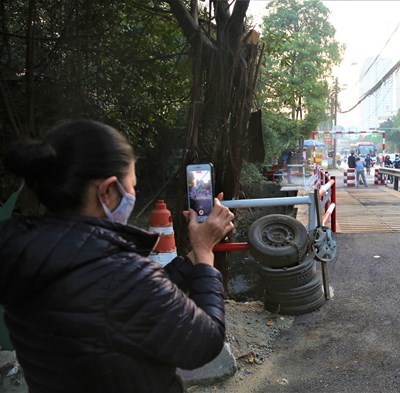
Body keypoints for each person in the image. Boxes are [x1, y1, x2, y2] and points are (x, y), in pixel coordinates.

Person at [0, 120, 235, 393]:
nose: (133, 193)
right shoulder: (120, 274)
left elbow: (118, 300)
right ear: (108, 191)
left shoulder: (24, 253)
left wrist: (192, 258)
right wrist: (205, 253)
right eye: (132, 186)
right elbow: (204, 343)